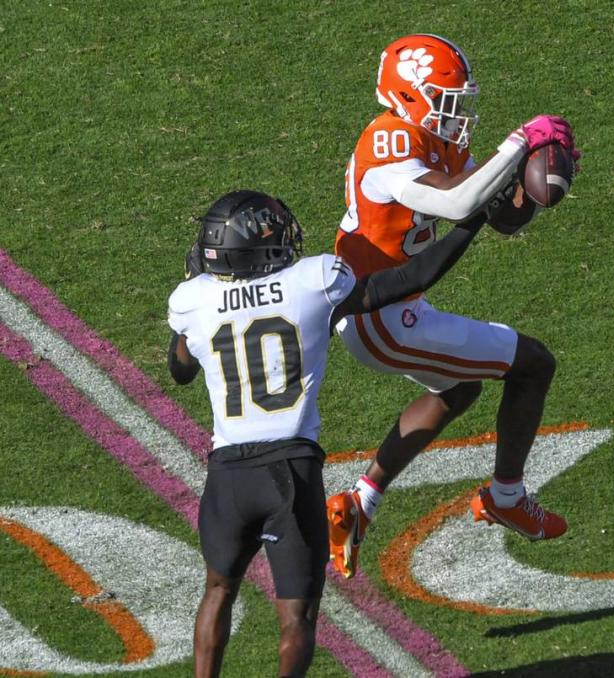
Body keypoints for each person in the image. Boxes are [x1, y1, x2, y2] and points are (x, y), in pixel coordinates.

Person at [168, 189, 488, 677]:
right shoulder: (311, 282)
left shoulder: (193, 301)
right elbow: (412, 278)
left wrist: (200, 286)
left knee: (217, 590)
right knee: (297, 617)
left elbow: (180, 369)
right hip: (288, 471)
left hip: (226, 474)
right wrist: (474, 217)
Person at [327, 33, 582, 580]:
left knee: (459, 388)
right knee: (533, 365)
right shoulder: (388, 141)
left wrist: (533, 186)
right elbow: (456, 202)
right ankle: (506, 496)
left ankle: (359, 503)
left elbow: (496, 216)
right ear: (411, 96)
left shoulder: (431, 139)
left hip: (390, 309)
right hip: (377, 313)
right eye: (447, 100)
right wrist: (519, 143)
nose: (457, 113)